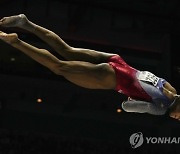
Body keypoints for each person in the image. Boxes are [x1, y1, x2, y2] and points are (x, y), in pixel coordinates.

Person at [0, 14, 180, 120]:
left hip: (120, 62)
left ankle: (26, 23)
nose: (178, 119)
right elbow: (127, 107)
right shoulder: (161, 108)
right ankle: (16, 42)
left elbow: (145, 82)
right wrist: (134, 104)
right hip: (113, 78)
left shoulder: (169, 88)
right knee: (59, 67)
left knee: (66, 50)